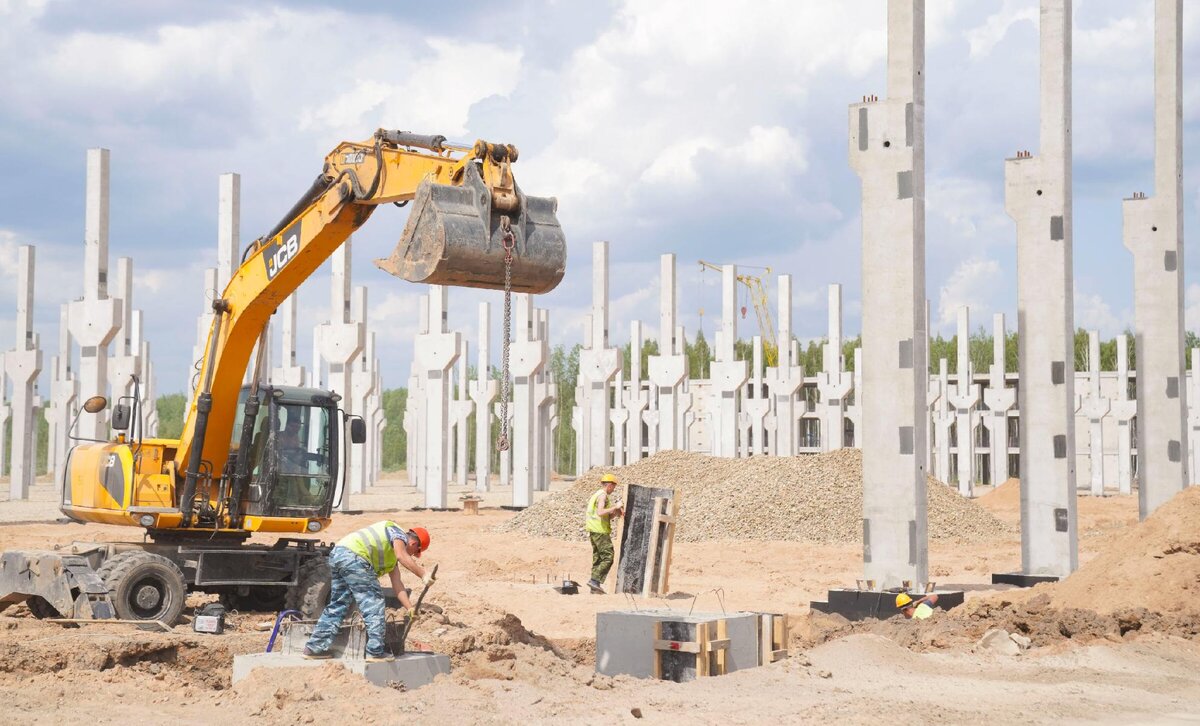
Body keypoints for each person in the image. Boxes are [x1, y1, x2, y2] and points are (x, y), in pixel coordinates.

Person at [304, 521, 435, 661]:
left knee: (338, 604)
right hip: (354, 557)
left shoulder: (392, 556)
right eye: (415, 553)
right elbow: (402, 556)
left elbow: (397, 584)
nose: (413, 555)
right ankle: (375, 651)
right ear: (414, 544)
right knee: (374, 601)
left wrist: (410, 608)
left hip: (339, 554)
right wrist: (423, 574)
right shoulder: (397, 532)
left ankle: (314, 648)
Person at [585, 473, 624, 594]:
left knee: (598, 558)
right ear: (610, 485)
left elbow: (606, 516)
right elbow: (601, 512)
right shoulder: (602, 496)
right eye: (614, 487)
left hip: (594, 530)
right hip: (600, 531)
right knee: (608, 557)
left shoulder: (597, 494)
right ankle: (594, 580)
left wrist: (615, 512)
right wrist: (615, 507)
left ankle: (594, 587)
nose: (614, 489)